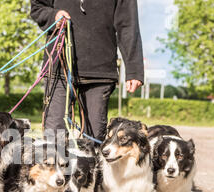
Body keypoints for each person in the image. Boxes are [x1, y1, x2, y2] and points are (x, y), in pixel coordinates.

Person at [30, 0, 144, 143]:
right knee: (53, 138)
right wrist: (53, 15)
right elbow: (38, 7)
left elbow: (128, 25)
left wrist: (134, 69)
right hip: (59, 68)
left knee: (93, 141)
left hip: (100, 73)